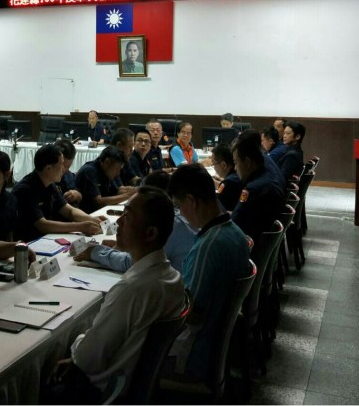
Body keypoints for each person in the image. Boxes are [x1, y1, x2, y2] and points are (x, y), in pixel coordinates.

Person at [44, 187, 185, 403]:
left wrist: (78, 345)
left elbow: (88, 359)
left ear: (150, 233)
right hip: (134, 387)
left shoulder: (133, 288)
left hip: (107, 393)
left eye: (127, 216)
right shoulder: (173, 278)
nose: (118, 222)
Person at [166, 163, 250, 380]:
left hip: (196, 351)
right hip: (217, 343)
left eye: (179, 206)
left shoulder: (208, 246)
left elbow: (192, 313)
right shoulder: (236, 233)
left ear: (191, 201)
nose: (180, 213)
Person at [74, 173, 197, 273]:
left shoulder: (170, 224)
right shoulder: (179, 217)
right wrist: (128, 246)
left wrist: (96, 252)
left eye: (128, 215)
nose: (119, 221)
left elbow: (133, 263)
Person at [12, 144, 105, 242]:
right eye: (61, 165)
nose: (63, 169)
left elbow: (69, 211)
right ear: (48, 169)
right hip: (28, 243)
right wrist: (80, 226)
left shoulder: (50, 184)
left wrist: (91, 219)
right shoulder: (25, 190)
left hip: (46, 239)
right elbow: (42, 225)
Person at [230, 130, 285, 248]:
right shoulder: (264, 173)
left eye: (236, 162)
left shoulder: (253, 190)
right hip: (260, 242)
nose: (235, 168)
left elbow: (233, 223)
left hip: (247, 247)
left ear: (248, 162)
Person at [75, 146, 137, 214]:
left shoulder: (106, 171)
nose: (118, 173)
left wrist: (136, 190)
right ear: (107, 162)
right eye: (117, 169)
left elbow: (117, 191)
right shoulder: (88, 171)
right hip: (87, 214)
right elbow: (98, 202)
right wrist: (128, 195)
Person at [211, 143, 243, 213]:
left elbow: (215, 204)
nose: (214, 167)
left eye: (213, 164)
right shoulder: (237, 175)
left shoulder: (228, 183)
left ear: (224, 165)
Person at [53, 139, 82, 206]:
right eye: (61, 165)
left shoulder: (69, 176)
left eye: (67, 167)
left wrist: (77, 195)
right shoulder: (46, 180)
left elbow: (79, 196)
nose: (64, 170)